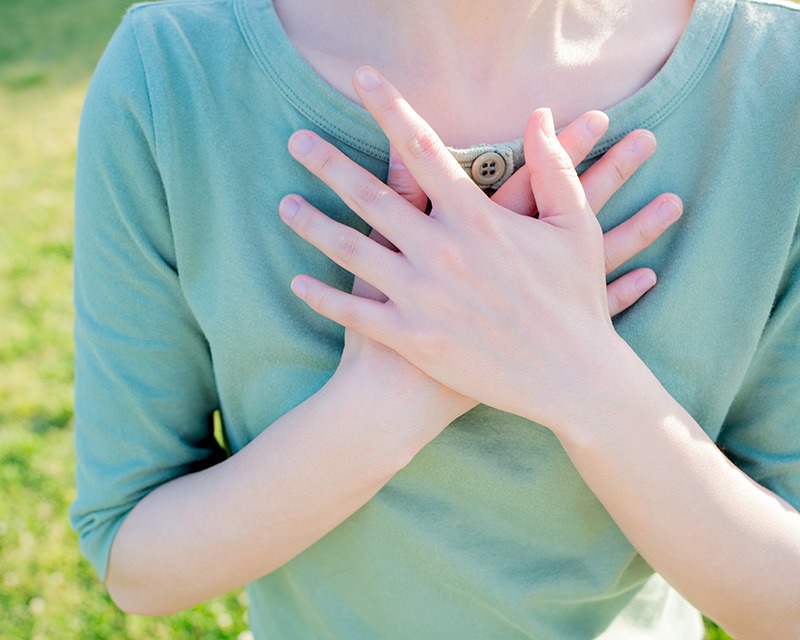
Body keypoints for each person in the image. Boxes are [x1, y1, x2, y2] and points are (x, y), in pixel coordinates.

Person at [70, 0, 800, 637]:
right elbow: (137, 562)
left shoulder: (774, 80)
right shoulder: (170, 75)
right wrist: (382, 405)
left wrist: (582, 378)